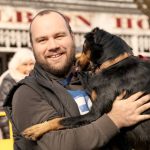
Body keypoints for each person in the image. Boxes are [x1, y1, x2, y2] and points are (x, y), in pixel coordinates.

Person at [3, 10, 150, 150]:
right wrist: (115, 120)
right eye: (42, 40)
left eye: (59, 36)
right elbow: (57, 144)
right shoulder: (26, 93)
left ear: (72, 38)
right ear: (32, 47)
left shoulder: (95, 80)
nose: (53, 46)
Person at [0, 49, 35, 139]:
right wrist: (9, 135)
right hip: (16, 131)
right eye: (25, 64)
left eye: (31, 64)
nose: (29, 68)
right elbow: (3, 109)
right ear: (16, 65)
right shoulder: (8, 80)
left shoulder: (35, 78)